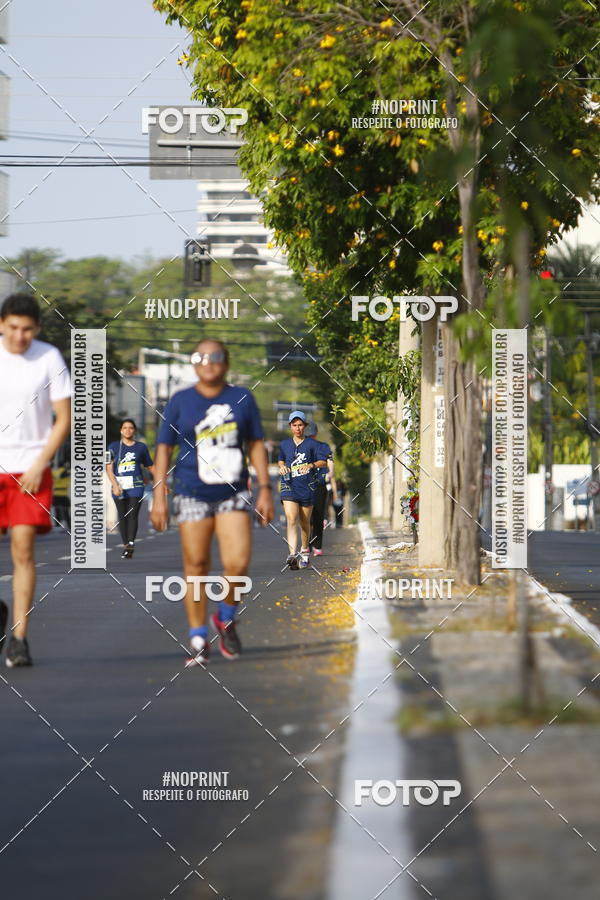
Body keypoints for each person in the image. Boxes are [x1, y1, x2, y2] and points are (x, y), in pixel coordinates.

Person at [150, 339, 274, 665]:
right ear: (193, 363)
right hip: (191, 492)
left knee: (238, 562)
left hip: (233, 492)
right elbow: (163, 449)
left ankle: (225, 616)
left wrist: (265, 488)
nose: (209, 363)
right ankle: (198, 638)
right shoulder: (180, 401)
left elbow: (257, 444)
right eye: (201, 357)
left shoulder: (242, 398)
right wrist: (159, 497)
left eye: (216, 357)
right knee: (196, 566)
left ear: (227, 363)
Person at [0, 293, 71, 667]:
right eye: (13, 328)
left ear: (37, 329)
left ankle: (19, 638)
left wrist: (39, 463)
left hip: (30, 469)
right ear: (2, 324)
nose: (20, 336)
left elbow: (64, 418)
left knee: (22, 551)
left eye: (27, 329)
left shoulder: (48, 358)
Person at [278, 411, 327, 569]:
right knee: (291, 518)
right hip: (289, 486)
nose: (297, 428)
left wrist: (311, 465)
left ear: (305, 426)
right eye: (294, 425)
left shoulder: (313, 445)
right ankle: (292, 554)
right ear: (290, 426)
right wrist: (282, 467)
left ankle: (305, 551)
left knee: (305, 523)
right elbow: (280, 460)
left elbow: (323, 462)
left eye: (300, 425)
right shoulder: (285, 444)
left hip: (307, 487)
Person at [106, 419, 154, 558]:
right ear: (121, 430)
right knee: (122, 515)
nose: (128, 430)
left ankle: (131, 543)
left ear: (134, 430)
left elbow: (149, 466)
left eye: (131, 428)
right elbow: (109, 468)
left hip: (136, 485)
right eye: (125, 427)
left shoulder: (141, 447)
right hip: (119, 485)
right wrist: (115, 485)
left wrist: (160, 481)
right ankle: (126, 543)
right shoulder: (113, 446)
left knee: (132, 514)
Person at [305, 422, 337, 557]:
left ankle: (317, 546)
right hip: (304, 485)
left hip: (319, 485)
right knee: (307, 517)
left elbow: (330, 462)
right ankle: (306, 544)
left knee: (318, 516)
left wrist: (331, 473)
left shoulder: (324, 447)